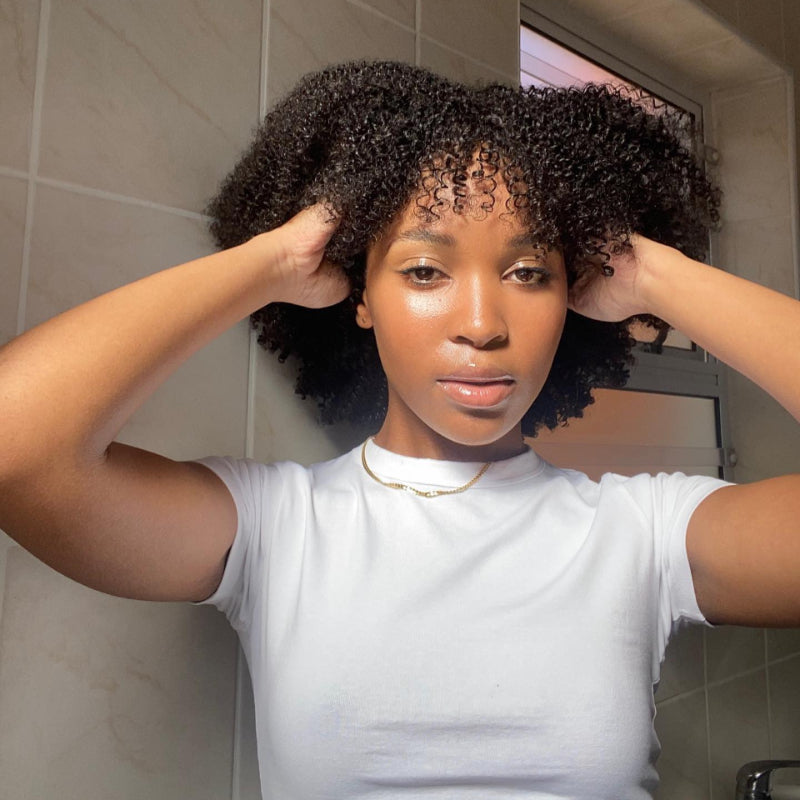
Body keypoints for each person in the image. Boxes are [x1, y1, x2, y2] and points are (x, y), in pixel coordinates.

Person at [0, 60, 798, 799]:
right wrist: (273, 262)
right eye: (423, 270)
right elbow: (16, 445)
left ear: (574, 294)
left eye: (529, 272)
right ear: (361, 295)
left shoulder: (642, 533)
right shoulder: (276, 527)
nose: (481, 324)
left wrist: (655, 275)